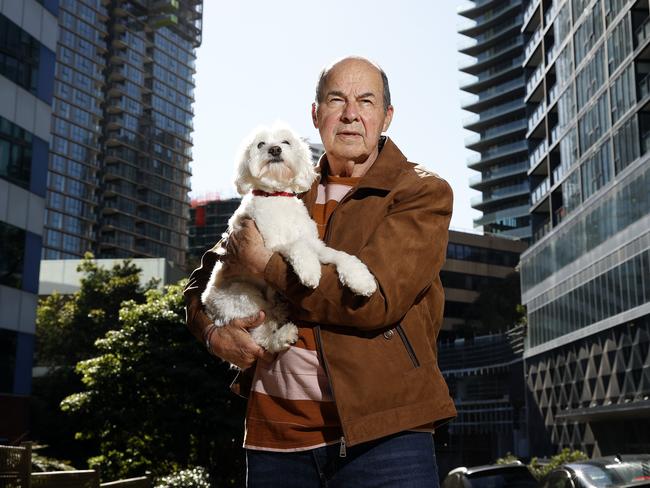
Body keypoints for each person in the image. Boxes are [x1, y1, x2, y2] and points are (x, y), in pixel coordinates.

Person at [184, 56, 456, 487]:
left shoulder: (420, 191)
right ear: (316, 114)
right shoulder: (282, 179)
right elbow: (204, 278)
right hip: (277, 440)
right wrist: (214, 333)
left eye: (366, 101)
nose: (351, 114)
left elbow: (375, 302)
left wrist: (265, 265)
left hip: (386, 436)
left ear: (386, 116)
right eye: (337, 100)